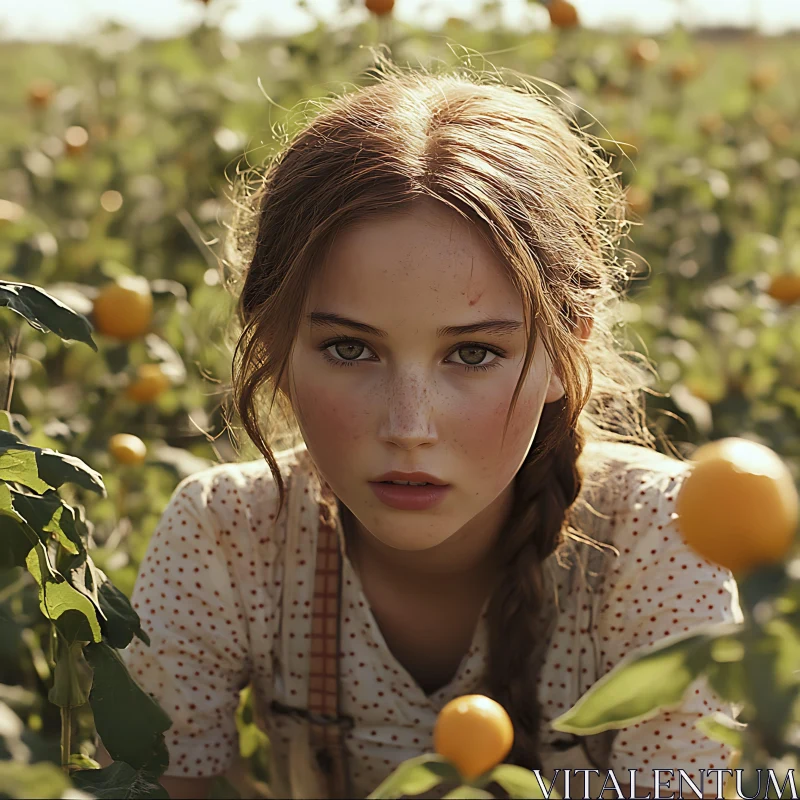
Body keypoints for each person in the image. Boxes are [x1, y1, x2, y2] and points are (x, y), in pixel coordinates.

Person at [113, 57, 743, 799]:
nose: (408, 426)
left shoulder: (665, 536)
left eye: (473, 353)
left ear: (565, 352)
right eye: (350, 348)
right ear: (275, 346)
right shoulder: (228, 538)